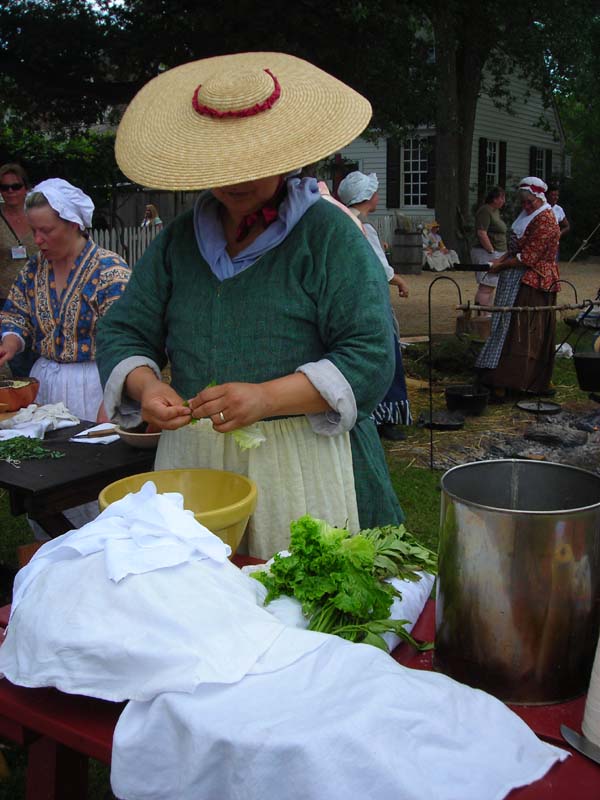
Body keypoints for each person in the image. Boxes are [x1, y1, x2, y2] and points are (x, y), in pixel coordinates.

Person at [96, 52, 405, 559]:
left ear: (286, 154)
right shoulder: (177, 243)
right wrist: (146, 386)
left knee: (299, 610)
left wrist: (266, 398)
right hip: (198, 467)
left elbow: (370, 355)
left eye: (252, 160)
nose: (236, 177)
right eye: (222, 161)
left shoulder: (328, 238)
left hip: (305, 463)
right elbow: (124, 330)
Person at [0, 178, 131, 422]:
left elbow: (127, 339)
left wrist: (114, 397)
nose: (37, 240)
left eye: (46, 231)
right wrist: (10, 341)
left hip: (96, 386)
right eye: (33, 231)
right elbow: (15, 313)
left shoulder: (109, 271)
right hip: (46, 384)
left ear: (74, 224)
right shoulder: (34, 268)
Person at [337, 170, 412, 441]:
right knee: (383, 356)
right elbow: (380, 268)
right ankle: (385, 418)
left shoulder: (341, 222)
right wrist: (401, 281)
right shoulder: (363, 228)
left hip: (350, 302)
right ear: (368, 197)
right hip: (371, 303)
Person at [475, 176, 560, 399]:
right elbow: (514, 251)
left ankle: (521, 381)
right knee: (504, 324)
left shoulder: (546, 220)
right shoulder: (527, 216)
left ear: (539, 197)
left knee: (523, 330)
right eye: (523, 201)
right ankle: (496, 376)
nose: (526, 205)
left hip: (534, 282)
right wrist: (498, 261)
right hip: (515, 278)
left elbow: (528, 258)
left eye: (529, 201)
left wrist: (501, 265)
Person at [0, 163, 39, 376]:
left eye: (15, 186)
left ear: (25, 187)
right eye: (4, 187)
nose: (10, 192)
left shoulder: (38, 217)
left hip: (39, 296)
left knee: (37, 356)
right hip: (5, 299)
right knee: (12, 359)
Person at [471, 186, 507, 313]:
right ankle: (482, 316)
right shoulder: (485, 211)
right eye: (501, 197)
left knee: (491, 286)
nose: (503, 201)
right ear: (494, 199)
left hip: (497, 251)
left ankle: (487, 314)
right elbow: (482, 232)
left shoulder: (495, 211)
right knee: (486, 285)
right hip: (486, 252)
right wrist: (492, 252)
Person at [547, 183, 570, 261]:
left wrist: (559, 233)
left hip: (553, 245)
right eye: (553, 195)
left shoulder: (558, 209)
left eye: (557, 195)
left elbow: (567, 226)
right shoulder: (541, 208)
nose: (555, 197)